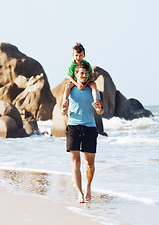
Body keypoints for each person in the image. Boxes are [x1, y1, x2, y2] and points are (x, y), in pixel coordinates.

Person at [61, 62, 104, 203]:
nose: (84, 75)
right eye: (81, 73)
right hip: (73, 127)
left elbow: (101, 111)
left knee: (89, 164)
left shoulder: (93, 91)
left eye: (86, 73)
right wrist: (63, 109)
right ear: (76, 75)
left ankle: (88, 186)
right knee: (76, 161)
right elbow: (63, 110)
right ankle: (79, 192)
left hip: (90, 127)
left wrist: (98, 108)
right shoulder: (70, 89)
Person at [61, 43, 98, 115]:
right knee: (67, 86)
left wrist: (86, 83)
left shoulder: (87, 64)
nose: (78, 57)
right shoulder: (72, 65)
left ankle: (96, 101)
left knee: (93, 85)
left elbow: (92, 76)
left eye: (80, 55)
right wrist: (77, 84)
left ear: (84, 55)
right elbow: (71, 77)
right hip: (76, 81)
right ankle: (65, 101)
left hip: (86, 81)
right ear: (73, 55)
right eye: (76, 55)